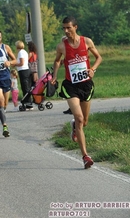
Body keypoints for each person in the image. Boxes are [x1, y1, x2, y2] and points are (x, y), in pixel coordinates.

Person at [51, 16, 102, 169]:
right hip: (70, 86)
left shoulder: (87, 42)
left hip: (86, 85)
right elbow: (57, 61)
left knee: (84, 122)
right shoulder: (61, 46)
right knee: (79, 118)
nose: (66, 31)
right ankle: (85, 156)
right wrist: (54, 76)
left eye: (68, 27)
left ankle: (74, 126)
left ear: (75, 27)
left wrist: (93, 69)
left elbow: (99, 57)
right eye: (64, 28)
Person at [15, 40, 33, 109]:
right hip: (26, 70)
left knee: (25, 87)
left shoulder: (20, 53)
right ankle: (28, 102)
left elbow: (22, 63)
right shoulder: (24, 52)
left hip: (23, 70)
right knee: (27, 86)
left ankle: (28, 102)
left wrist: (15, 64)